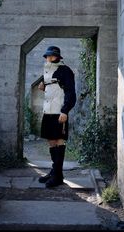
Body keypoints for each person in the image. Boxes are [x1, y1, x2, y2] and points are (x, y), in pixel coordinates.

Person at [38, 46, 76, 188]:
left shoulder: (65, 70)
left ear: (57, 56)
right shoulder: (47, 70)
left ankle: (58, 176)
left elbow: (70, 93)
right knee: (51, 141)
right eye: (47, 56)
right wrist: (44, 87)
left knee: (59, 140)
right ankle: (54, 172)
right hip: (48, 112)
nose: (49, 58)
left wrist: (65, 111)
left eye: (51, 56)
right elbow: (54, 89)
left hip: (59, 112)